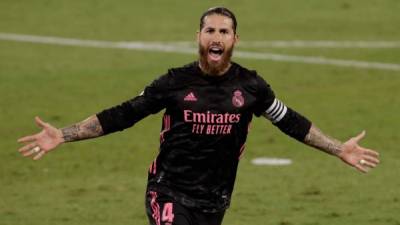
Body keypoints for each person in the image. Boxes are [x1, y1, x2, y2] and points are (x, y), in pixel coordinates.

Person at [18, 7, 380, 225]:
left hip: (216, 198)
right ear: (199, 37)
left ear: (235, 39)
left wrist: (338, 149)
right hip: (168, 192)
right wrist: (63, 135)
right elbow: (123, 114)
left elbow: (290, 122)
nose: (216, 37)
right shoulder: (174, 82)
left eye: (224, 31)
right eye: (210, 30)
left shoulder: (252, 87)